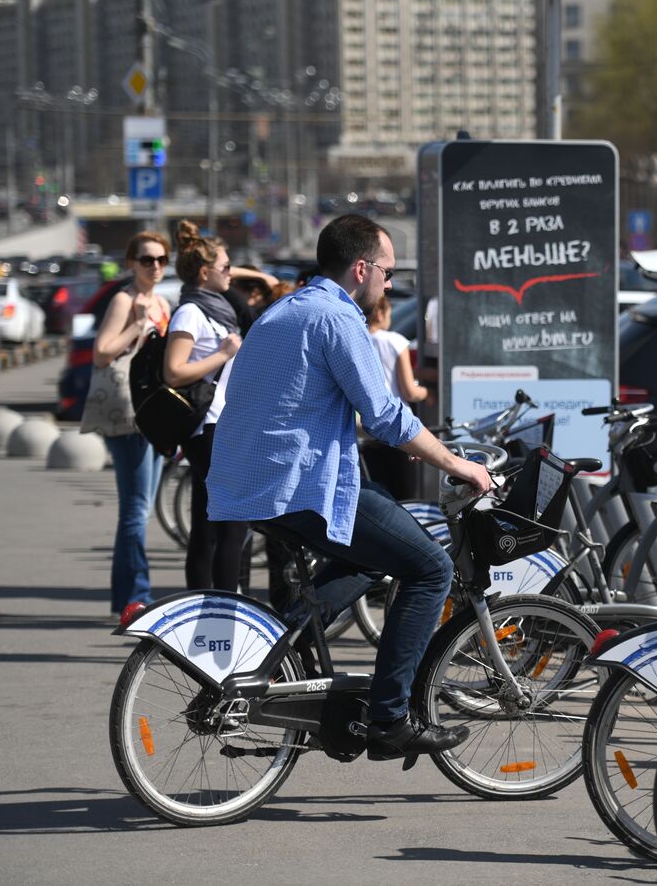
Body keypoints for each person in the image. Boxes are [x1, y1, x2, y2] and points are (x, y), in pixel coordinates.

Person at [207, 213, 492, 761]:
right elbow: (385, 416)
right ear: (361, 268)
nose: (388, 283)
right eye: (385, 271)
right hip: (298, 486)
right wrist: (458, 464)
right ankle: (388, 720)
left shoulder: (283, 311)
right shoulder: (337, 319)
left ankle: (284, 641)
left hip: (253, 483)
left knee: (373, 548)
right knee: (430, 568)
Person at [84, 231, 172, 625]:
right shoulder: (125, 300)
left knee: (140, 509)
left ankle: (127, 596)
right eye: (147, 259)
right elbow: (102, 352)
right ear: (132, 263)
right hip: (127, 413)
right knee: (135, 511)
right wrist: (137, 325)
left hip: (151, 410)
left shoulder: (163, 301)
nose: (155, 266)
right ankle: (137, 597)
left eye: (161, 260)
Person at [163, 220, 250, 595]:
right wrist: (222, 354)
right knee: (226, 527)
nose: (231, 273)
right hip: (207, 428)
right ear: (204, 272)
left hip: (224, 425)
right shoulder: (190, 313)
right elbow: (174, 371)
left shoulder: (218, 309)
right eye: (226, 267)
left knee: (212, 525)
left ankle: (209, 607)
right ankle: (223, 609)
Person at [362, 294, 426, 499]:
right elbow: (409, 391)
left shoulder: (358, 340)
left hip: (367, 431)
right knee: (405, 496)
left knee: (379, 492)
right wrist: (429, 392)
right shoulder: (395, 341)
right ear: (381, 313)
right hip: (398, 427)